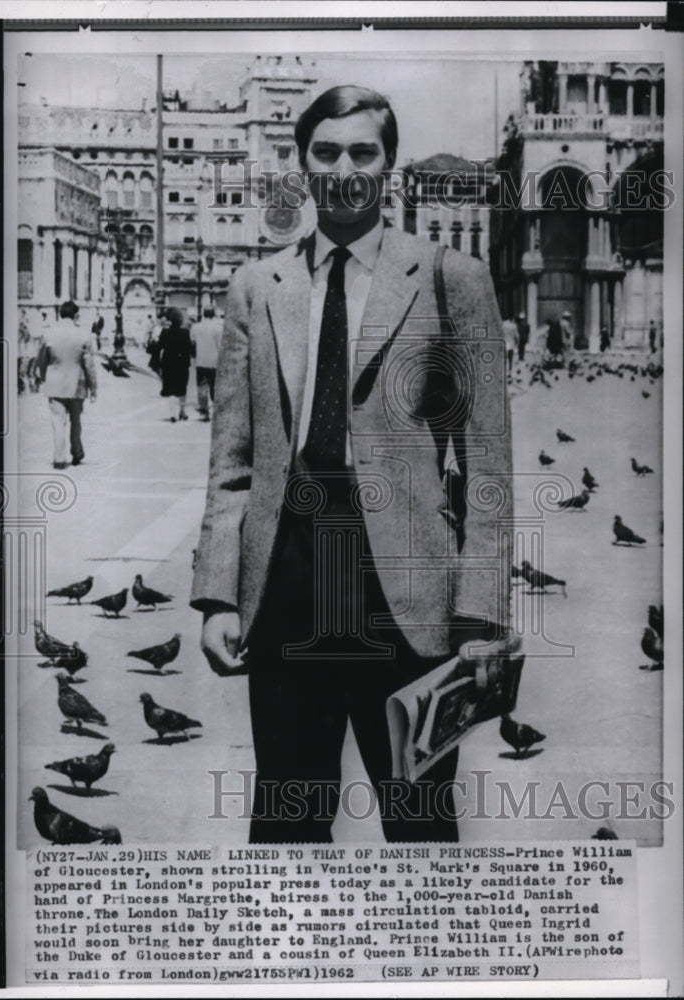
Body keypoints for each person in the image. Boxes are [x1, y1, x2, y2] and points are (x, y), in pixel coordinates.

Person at [191, 85, 511, 844]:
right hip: (289, 582)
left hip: (407, 595)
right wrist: (216, 599)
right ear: (301, 165)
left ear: (388, 164)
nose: (344, 169)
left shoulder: (449, 279)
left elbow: (488, 465)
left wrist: (481, 612)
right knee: (286, 824)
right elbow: (232, 462)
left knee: (419, 826)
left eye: (362, 152)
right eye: (325, 152)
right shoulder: (256, 287)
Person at [35, 299, 97, 469]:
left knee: (58, 421)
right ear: (76, 315)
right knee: (76, 420)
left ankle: (59, 458)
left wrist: (42, 377)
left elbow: (41, 360)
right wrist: (94, 388)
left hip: (54, 384)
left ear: (60, 314)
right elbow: (89, 365)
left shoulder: (48, 334)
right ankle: (77, 452)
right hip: (77, 383)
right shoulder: (84, 335)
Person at [158, 307, 193, 421]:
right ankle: (182, 412)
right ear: (181, 320)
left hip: (168, 363)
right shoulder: (185, 333)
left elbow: (160, 346)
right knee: (182, 388)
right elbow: (189, 349)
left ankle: (173, 414)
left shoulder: (165, 332)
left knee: (170, 389)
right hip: (182, 363)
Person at [190, 307, 224, 421]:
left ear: (203, 314)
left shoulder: (195, 327)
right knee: (215, 387)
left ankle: (204, 412)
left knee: (202, 387)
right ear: (213, 315)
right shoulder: (218, 328)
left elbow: (192, 344)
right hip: (215, 361)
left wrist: (194, 357)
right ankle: (216, 412)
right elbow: (221, 346)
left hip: (200, 361)